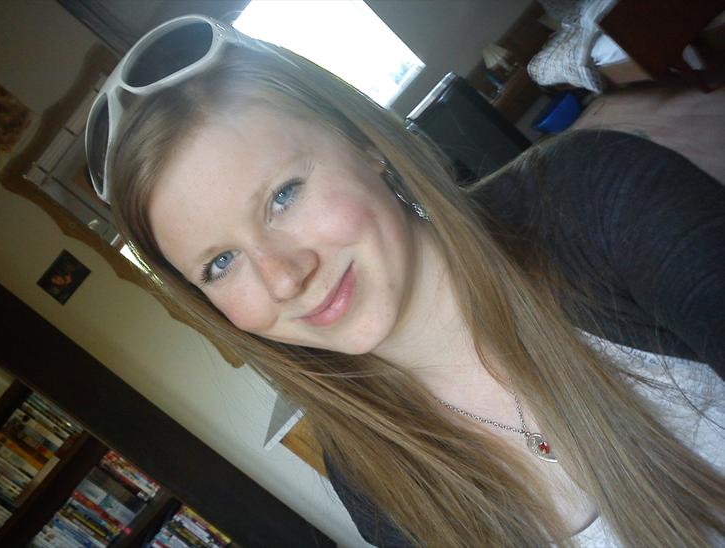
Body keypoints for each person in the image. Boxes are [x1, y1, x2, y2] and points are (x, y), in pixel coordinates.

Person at [85, 14, 725, 547]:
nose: (284, 280)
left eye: (283, 195)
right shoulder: (369, 480)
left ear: (365, 144)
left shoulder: (594, 201)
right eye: (220, 264)